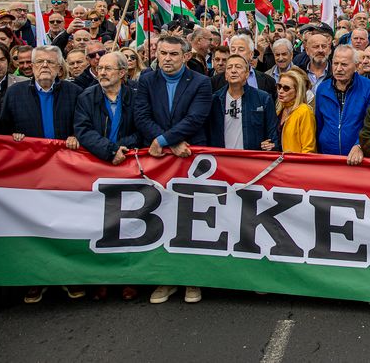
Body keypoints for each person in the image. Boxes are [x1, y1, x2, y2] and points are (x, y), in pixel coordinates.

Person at [134, 35, 212, 306]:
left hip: (189, 159)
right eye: (162, 53)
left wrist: (166, 140)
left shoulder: (201, 83)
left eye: (173, 54)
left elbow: (197, 117)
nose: (166, 58)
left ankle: (193, 279)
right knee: (161, 216)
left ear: (186, 57)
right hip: (160, 160)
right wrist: (164, 141)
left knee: (191, 219)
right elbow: (141, 115)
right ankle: (165, 278)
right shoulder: (146, 80)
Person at [314, 45, 370, 164]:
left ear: (356, 66)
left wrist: (360, 145)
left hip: (358, 159)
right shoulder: (322, 88)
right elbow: (319, 123)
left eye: (344, 64)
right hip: (328, 158)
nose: (338, 69)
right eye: (336, 64)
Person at [0, 46, 81, 142]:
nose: (45, 65)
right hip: (30, 154)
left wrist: (75, 136)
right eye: (40, 61)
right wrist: (13, 135)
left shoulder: (75, 92)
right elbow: (4, 128)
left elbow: (83, 125)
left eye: (50, 62)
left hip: (64, 154)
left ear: (59, 69)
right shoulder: (14, 93)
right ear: (33, 67)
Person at [74, 51, 139, 166]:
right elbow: (83, 130)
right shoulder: (86, 97)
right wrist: (111, 150)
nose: (102, 73)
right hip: (95, 162)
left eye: (108, 68)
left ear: (122, 72)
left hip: (128, 161)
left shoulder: (136, 97)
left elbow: (142, 130)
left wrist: (119, 147)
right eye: (100, 68)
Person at [209, 54, 279, 151]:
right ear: (225, 75)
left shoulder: (263, 98)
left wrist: (272, 145)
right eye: (229, 67)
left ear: (247, 74)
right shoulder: (215, 100)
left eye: (238, 67)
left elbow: (273, 135)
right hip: (222, 160)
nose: (233, 70)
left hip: (251, 161)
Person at [276, 71, 316, 153]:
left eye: (286, 88)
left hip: (295, 163)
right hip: (278, 162)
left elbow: (309, 149)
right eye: (279, 86)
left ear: (297, 91)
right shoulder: (279, 110)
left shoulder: (304, 111)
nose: (280, 91)